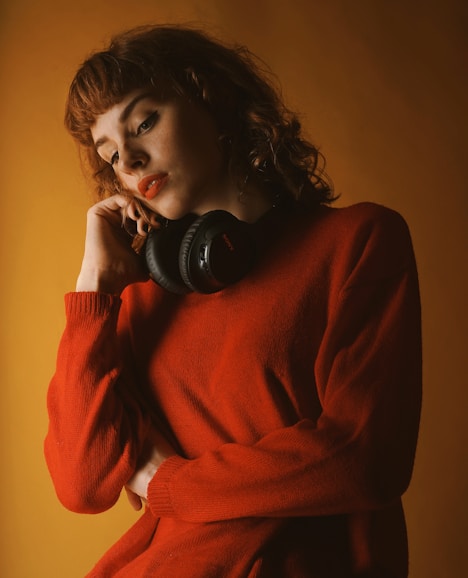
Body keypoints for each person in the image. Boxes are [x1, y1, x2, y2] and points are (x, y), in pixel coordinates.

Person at [44, 24, 422, 578]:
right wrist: (93, 290)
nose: (128, 158)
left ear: (211, 99)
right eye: (109, 154)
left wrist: (166, 482)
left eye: (144, 121)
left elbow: (365, 462)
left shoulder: (356, 243)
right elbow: (82, 482)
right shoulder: (144, 301)